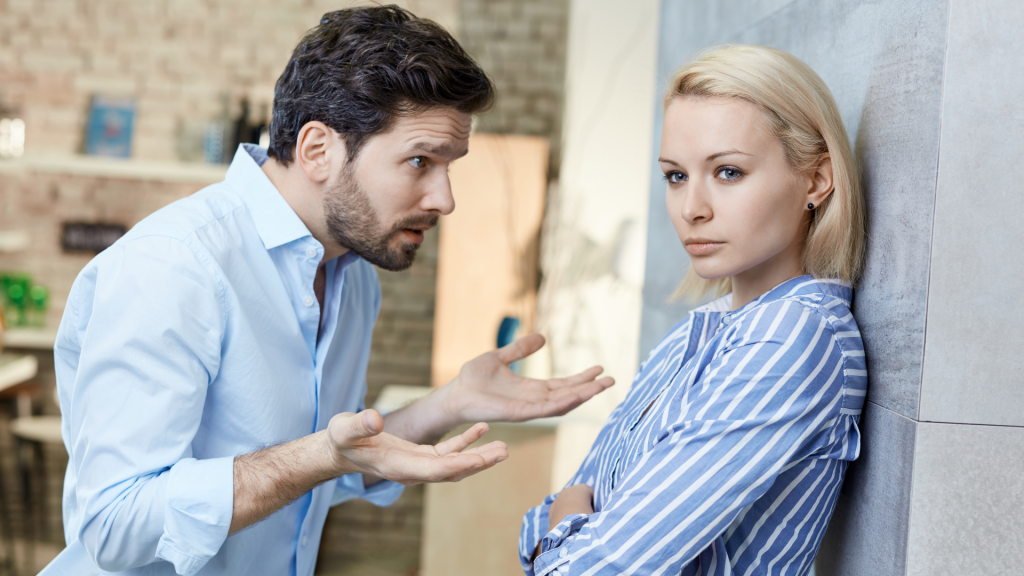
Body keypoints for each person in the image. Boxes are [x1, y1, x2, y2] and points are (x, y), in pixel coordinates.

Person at [42, 6, 614, 576]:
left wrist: (451, 403)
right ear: (318, 150)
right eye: (419, 161)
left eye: (449, 165)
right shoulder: (175, 266)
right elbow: (113, 525)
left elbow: (324, 471)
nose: (445, 198)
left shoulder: (352, 272)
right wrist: (319, 453)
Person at [519, 44, 867, 576]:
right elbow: (559, 509)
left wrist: (560, 533)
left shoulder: (793, 337)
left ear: (817, 180)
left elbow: (578, 557)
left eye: (728, 172)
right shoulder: (697, 332)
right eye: (676, 175)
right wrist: (565, 525)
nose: (691, 209)